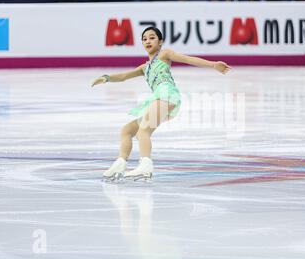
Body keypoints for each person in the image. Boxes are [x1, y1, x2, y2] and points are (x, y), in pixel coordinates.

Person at [91, 27, 231, 181]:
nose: (147, 41)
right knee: (127, 131)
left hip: (167, 94)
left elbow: (188, 59)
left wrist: (212, 65)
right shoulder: (145, 67)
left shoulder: (164, 54)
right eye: (144, 39)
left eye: (152, 38)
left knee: (143, 131)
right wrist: (107, 77)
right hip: (160, 97)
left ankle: (145, 164)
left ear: (160, 41)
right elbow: (124, 76)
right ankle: (120, 163)